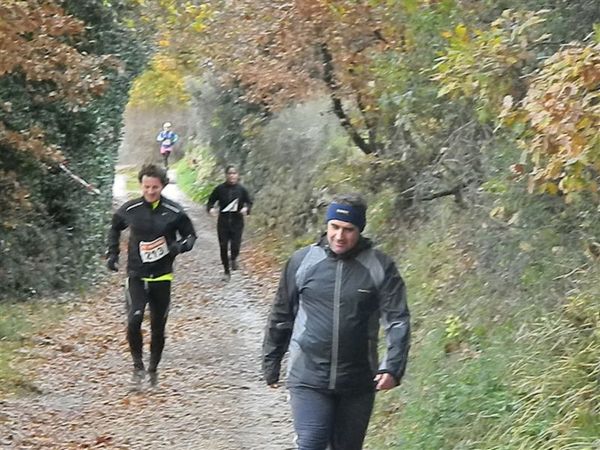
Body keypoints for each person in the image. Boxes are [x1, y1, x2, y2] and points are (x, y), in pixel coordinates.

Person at [262, 193, 410, 450]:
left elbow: (397, 318)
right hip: (308, 374)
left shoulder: (380, 266)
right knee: (311, 443)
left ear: (360, 230)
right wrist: (271, 359)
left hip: (358, 380)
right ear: (327, 225)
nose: (340, 236)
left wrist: (392, 367)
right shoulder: (303, 261)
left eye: (348, 229)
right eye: (335, 227)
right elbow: (282, 313)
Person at [106, 164, 196, 388]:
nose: (150, 191)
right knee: (134, 319)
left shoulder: (174, 211)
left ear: (162, 186)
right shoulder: (131, 208)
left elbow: (191, 236)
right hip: (136, 274)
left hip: (162, 276)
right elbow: (114, 228)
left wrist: (179, 247)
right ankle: (138, 367)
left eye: (155, 187)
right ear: (141, 186)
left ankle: (153, 369)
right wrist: (112, 254)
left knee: (158, 326)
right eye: (146, 187)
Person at [206, 165, 253, 281]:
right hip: (223, 223)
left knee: (235, 245)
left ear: (238, 175)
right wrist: (211, 209)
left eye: (234, 173)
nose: (232, 176)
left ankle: (233, 258)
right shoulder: (219, 189)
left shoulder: (242, 190)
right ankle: (226, 271)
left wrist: (246, 209)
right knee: (223, 247)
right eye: (230, 173)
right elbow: (210, 201)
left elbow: (249, 201)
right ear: (226, 175)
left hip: (237, 222)